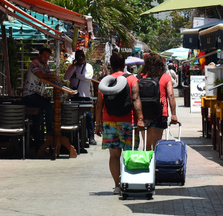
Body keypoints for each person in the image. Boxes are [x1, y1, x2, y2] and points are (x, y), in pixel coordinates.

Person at [95, 52, 144, 195]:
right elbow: (136, 99)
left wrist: (98, 124)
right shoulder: (132, 79)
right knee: (130, 154)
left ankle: (117, 185)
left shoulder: (105, 81)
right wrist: (140, 119)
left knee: (114, 156)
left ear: (110, 65)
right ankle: (129, 183)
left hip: (109, 122)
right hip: (129, 122)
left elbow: (99, 105)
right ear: (124, 65)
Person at [138, 53, 179, 150]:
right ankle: (155, 164)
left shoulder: (140, 77)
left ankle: (148, 164)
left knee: (147, 144)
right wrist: (173, 114)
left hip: (144, 114)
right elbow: (171, 95)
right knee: (157, 144)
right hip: (160, 113)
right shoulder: (165, 77)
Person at [22, 47, 61, 149]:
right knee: (48, 106)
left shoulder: (45, 66)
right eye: (44, 56)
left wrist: (56, 80)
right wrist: (53, 76)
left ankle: (38, 146)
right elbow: (40, 76)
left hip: (37, 96)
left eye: (48, 57)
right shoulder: (34, 63)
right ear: (39, 55)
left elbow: (48, 76)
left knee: (38, 120)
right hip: (29, 95)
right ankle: (49, 131)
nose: (46, 58)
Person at [64, 49, 96, 145]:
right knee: (75, 117)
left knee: (88, 117)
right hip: (74, 96)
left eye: (81, 56)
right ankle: (75, 136)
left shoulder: (88, 67)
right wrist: (73, 68)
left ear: (84, 57)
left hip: (84, 95)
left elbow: (88, 77)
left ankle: (91, 136)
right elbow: (66, 77)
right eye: (77, 57)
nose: (79, 59)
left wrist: (77, 75)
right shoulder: (72, 67)